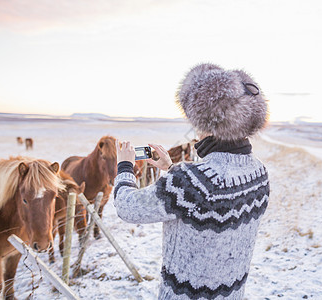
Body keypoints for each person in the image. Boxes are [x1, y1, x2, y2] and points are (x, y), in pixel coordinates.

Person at [113, 63, 270, 299]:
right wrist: (172, 169)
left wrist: (125, 165)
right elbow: (209, 196)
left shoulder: (191, 182)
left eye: (198, 123)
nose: (196, 131)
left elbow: (128, 208)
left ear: (209, 125)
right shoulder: (259, 172)